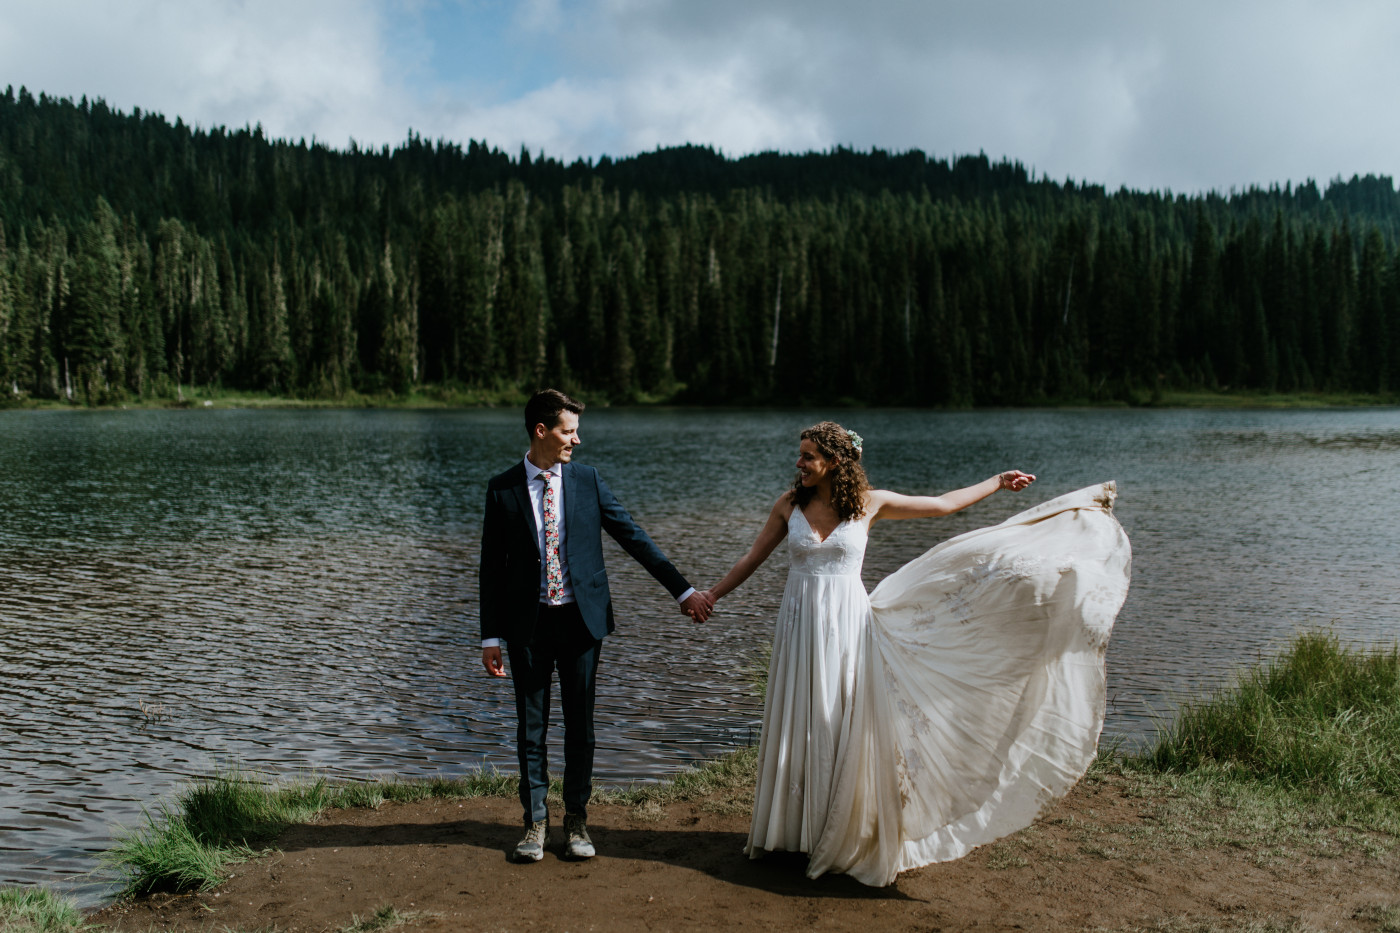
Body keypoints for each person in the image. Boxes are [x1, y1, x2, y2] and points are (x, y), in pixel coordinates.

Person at [700, 421, 1130, 886]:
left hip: (849, 627)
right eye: (799, 455)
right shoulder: (788, 506)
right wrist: (711, 595)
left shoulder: (870, 504)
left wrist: (998, 482)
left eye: (808, 456)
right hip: (799, 625)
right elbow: (751, 558)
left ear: (836, 462)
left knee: (838, 722)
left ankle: (835, 831)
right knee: (801, 720)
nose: (798, 464)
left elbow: (942, 505)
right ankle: (792, 832)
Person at [479, 389, 714, 863]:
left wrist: (683, 590)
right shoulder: (502, 488)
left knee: (581, 727)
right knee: (531, 728)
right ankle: (535, 824)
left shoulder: (586, 481)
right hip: (527, 627)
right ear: (541, 431)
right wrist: (490, 635)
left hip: (582, 624)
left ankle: (577, 820)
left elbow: (632, 536)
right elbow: (491, 568)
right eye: (569, 431)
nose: (577, 440)